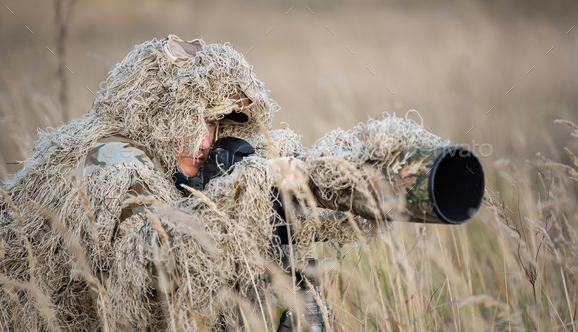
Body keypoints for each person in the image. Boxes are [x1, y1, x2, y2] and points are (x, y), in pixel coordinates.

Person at [0, 35, 445, 331]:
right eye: (197, 119)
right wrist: (247, 193)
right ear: (158, 111)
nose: (206, 140)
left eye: (216, 126)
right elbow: (150, 268)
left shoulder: (166, 162)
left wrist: (326, 184)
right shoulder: (110, 160)